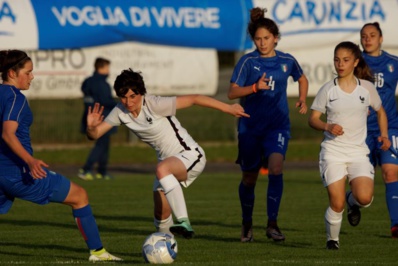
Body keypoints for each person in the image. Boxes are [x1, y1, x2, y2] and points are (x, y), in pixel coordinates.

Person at [86, 68, 249, 239]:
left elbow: (194, 99)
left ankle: (184, 222)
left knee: (162, 169)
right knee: (161, 213)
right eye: (123, 97)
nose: (128, 102)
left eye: (133, 96)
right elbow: (95, 135)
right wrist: (91, 128)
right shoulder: (120, 111)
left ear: (141, 93)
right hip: (166, 164)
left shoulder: (154, 104)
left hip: (190, 155)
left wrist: (228, 108)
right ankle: (165, 245)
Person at [0, 50, 121, 261]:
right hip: (18, 172)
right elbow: (8, 133)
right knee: (80, 196)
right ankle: (98, 252)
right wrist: (30, 161)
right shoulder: (15, 98)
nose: (32, 77)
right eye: (28, 72)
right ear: (12, 73)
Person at [228, 7, 308, 242]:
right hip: (251, 128)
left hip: (277, 126)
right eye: (258, 39)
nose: (262, 43)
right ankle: (247, 223)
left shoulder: (286, 60)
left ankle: (272, 224)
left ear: (275, 38)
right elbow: (232, 92)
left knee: (275, 168)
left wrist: (302, 98)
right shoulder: (247, 62)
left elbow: (301, 78)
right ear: (253, 40)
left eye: (266, 38)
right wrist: (254, 88)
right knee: (249, 179)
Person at [308, 41, 390, 249]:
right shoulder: (328, 89)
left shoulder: (366, 88)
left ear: (355, 62)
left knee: (364, 198)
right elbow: (313, 119)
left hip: (358, 153)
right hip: (333, 152)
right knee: (336, 204)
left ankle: (352, 202)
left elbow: (380, 111)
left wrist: (384, 135)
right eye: (337, 60)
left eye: (345, 60)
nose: (340, 64)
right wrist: (327, 125)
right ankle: (332, 240)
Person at [360, 22, 398, 238]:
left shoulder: (393, 63)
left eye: (372, 35)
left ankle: (396, 225)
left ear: (381, 38)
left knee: (391, 172)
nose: (368, 39)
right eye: (364, 36)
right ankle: (351, 201)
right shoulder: (355, 63)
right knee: (363, 188)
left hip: (390, 126)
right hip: (361, 131)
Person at [78, 57, 117, 181]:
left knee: (104, 145)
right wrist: (119, 105)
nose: (108, 70)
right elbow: (106, 101)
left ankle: (102, 171)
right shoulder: (102, 84)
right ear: (101, 68)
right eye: (107, 67)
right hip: (103, 118)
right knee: (100, 145)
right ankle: (86, 169)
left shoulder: (88, 81)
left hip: (89, 116)